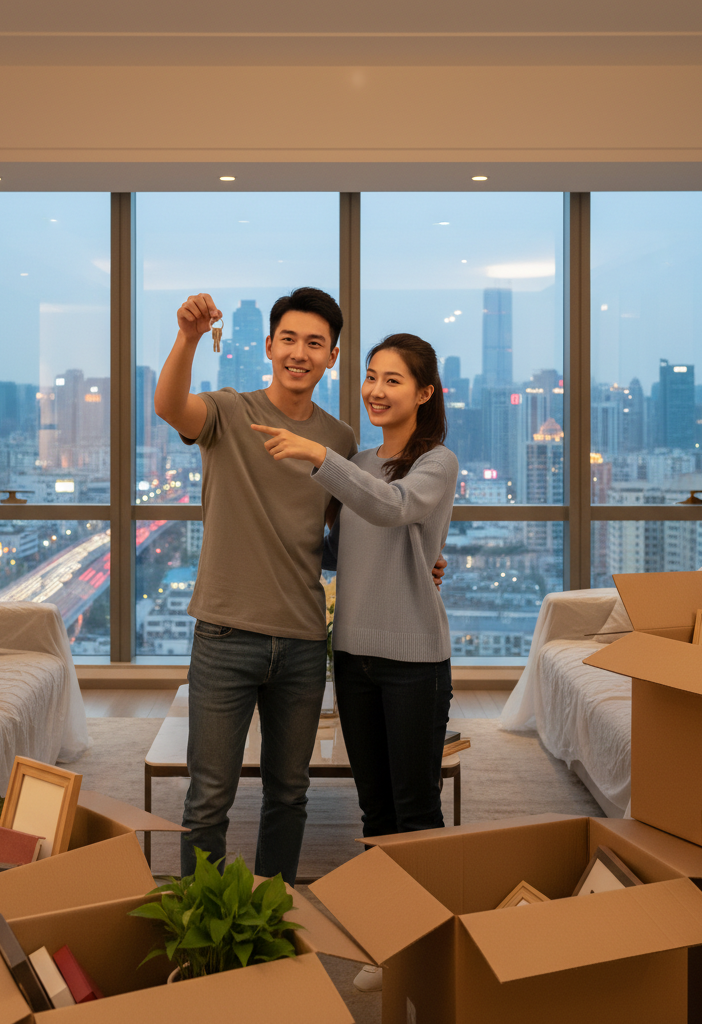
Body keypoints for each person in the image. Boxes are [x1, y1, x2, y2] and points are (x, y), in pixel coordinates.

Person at [153, 287, 358, 883]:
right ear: (269, 346)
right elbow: (169, 406)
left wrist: (421, 561)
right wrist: (188, 338)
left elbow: (341, 536)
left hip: (302, 638)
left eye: (314, 343)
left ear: (332, 356)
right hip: (225, 633)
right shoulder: (227, 412)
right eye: (288, 339)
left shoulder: (339, 440)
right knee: (208, 799)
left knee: (289, 794)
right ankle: (201, 921)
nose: (300, 353)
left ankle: (274, 912)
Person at [251, 333, 457, 840]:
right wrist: (263, 529)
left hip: (414, 661)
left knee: (416, 812)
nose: (376, 390)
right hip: (351, 657)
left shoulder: (437, 462)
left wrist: (319, 456)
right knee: (375, 811)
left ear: (424, 393)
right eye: (370, 377)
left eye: (392, 380)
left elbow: (393, 506)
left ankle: (425, 897)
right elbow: (338, 551)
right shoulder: (359, 463)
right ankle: (380, 893)